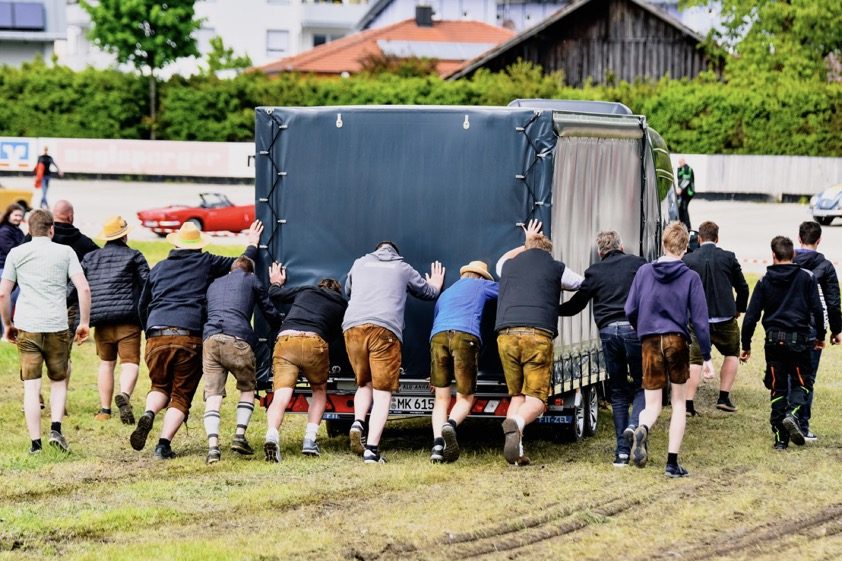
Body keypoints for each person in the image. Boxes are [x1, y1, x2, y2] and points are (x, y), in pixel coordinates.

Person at [132, 220, 263, 460]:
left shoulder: (159, 268)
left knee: (159, 386)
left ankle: (149, 412)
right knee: (181, 395)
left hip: (156, 334)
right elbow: (239, 266)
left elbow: (143, 305)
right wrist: (252, 245)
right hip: (188, 335)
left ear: (176, 244)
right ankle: (162, 445)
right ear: (198, 245)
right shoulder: (206, 261)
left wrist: (149, 332)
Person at [343, 241, 444, 464]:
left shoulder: (359, 263)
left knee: (364, 384)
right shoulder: (402, 268)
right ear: (395, 253)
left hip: (352, 328)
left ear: (377, 250)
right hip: (384, 329)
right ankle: (371, 450)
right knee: (382, 392)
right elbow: (427, 293)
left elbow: (347, 290)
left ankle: (358, 422)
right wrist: (436, 285)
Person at [625, 222, 713, 477]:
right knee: (678, 402)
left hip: (650, 341)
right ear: (685, 248)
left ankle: (643, 427)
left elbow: (630, 309)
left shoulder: (644, 272)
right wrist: (706, 356)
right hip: (676, 341)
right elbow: (700, 320)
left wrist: (641, 328)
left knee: (652, 404)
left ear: (663, 244)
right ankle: (672, 463)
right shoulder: (690, 277)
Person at [0, 209, 90, 454]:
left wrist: (7, 325)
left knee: (31, 386)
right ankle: (56, 429)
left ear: (29, 229)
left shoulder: (17, 253)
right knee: (58, 380)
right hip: (56, 325)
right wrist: (83, 322)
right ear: (52, 229)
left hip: (27, 325)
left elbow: (3, 293)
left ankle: (35, 444)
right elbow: (83, 288)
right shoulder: (66, 252)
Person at [495, 220, 583, 466]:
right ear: (548, 251)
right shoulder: (555, 267)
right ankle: (516, 423)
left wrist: (524, 244)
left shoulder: (508, 265)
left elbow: (500, 262)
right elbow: (580, 283)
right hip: (537, 335)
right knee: (536, 399)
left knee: (517, 396)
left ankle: (515, 451)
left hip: (506, 335)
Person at [559, 230, 646, 467]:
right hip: (633, 330)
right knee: (643, 385)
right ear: (622, 246)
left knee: (618, 392)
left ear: (600, 252)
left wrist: (552, 310)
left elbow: (576, 305)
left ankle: (622, 453)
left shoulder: (594, 272)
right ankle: (634, 425)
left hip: (608, 332)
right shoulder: (637, 264)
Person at [740, 236, 826, 450]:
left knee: (777, 388)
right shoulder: (806, 278)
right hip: (799, 341)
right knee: (803, 383)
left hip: (773, 342)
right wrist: (821, 336)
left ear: (773, 255)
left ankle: (780, 439)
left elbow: (751, 316)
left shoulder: (764, 280)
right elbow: (817, 310)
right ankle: (792, 414)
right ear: (793, 254)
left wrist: (746, 345)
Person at [202, 255, 282, 464]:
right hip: (238, 339)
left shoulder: (214, 284)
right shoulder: (251, 279)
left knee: (213, 394)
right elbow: (268, 309)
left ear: (231, 269)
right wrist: (279, 324)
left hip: (211, 339)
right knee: (247, 388)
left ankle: (213, 448)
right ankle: (239, 435)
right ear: (250, 271)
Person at [264, 263, 348, 462]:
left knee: (281, 394)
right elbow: (338, 335)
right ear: (337, 291)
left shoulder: (307, 290)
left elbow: (275, 294)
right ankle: (310, 440)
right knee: (319, 391)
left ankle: (272, 436)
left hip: (287, 340)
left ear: (320, 286)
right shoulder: (341, 304)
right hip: (314, 340)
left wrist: (276, 283)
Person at [81, 216, 150, 424]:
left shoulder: (90, 258)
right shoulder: (134, 255)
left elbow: (79, 287)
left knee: (106, 364)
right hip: (128, 320)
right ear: (124, 236)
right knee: (130, 363)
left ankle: (105, 410)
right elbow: (148, 283)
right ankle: (125, 395)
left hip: (101, 320)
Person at [428, 260, 498, 463]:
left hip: (438, 338)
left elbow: (436, 321)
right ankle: (450, 425)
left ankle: (437, 446)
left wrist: (431, 371)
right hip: (465, 336)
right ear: (482, 276)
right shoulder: (482, 285)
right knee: (465, 397)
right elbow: (508, 291)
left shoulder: (446, 293)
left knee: (441, 399)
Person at [682, 221, 749, 415]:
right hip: (725, 316)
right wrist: (739, 308)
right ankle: (723, 397)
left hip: (697, 319)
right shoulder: (728, 257)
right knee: (732, 353)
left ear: (699, 239)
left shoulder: (688, 260)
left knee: (695, 360)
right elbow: (743, 287)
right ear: (717, 238)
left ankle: (688, 404)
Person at [792, 221, 842, 441]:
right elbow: (833, 302)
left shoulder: (787, 260)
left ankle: (785, 417)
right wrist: (836, 330)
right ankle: (802, 425)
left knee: (788, 374)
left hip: (787, 324)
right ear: (819, 240)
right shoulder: (826, 266)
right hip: (813, 326)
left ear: (799, 238)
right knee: (807, 377)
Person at [0, 203, 26, 338]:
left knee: (12, 300)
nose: (18, 218)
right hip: (3, 270)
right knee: (6, 301)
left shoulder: (18, 231)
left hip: (14, 271)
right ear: (9, 215)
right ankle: (5, 331)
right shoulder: (4, 231)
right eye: (15, 215)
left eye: (20, 216)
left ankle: (8, 330)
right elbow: (12, 252)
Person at [675, 158, 695, 231]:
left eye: (681, 162)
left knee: (684, 208)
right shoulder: (680, 169)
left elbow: (687, 180)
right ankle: (681, 225)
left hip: (687, 192)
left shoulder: (687, 169)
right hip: (682, 193)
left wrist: (681, 188)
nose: (680, 163)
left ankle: (687, 227)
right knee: (681, 208)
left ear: (684, 161)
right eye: (679, 162)